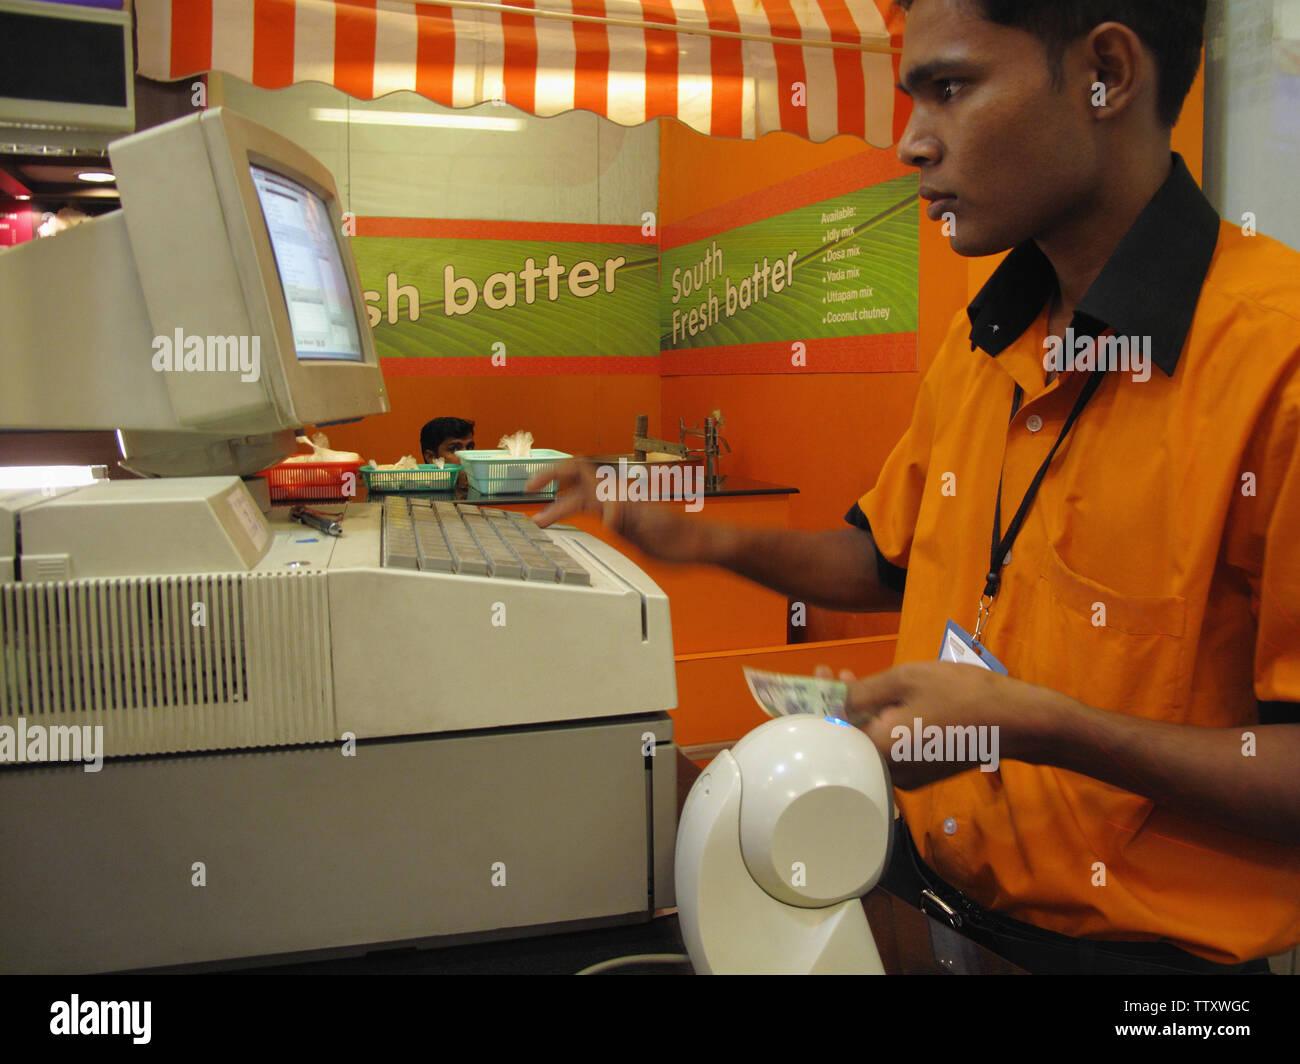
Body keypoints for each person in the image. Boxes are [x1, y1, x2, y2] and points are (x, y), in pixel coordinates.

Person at [531, 0, 1300, 974]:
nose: (910, 142)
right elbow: (878, 557)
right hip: (916, 902)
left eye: (949, 88)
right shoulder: (985, 339)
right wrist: (700, 537)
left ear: (1105, 72)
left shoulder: (1278, 361)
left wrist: (1034, 724)